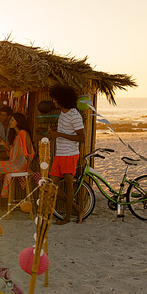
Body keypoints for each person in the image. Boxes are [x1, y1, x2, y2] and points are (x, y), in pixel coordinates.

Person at [47, 84, 86, 225]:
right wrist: (53, 131)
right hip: (59, 153)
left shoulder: (74, 115)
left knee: (69, 186)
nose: (54, 102)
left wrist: (58, 134)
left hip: (69, 154)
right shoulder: (63, 113)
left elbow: (82, 138)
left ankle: (68, 218)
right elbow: (64, 128)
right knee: (51, 186)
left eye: (56, 99)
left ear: (63, 99)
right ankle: (78, 209)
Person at [0, 113, 35, 200]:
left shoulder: (24, 133)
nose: (10, 122)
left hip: (20, 164)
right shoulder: (15, 135)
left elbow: (31, 152)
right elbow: (12, 150)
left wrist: (29, 167)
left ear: (17, 122)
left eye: (12, 120)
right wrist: (3, 143)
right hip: (12, 163)